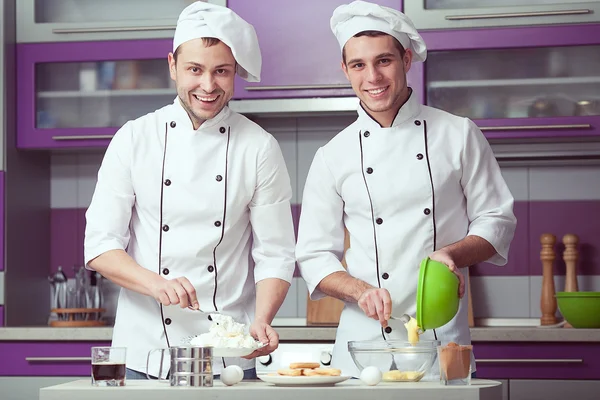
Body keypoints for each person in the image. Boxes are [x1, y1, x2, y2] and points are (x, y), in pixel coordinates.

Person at [295, 0, 517, 378]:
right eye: (359, 65)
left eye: (384, 61)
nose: (373, 77)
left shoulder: (458, 134)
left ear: (406, 59)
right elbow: (314, 255)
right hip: (362, 343)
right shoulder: (333, 155)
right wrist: (359, 290)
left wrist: (451, 253)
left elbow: (496, 220)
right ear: (345, 70)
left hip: (440, 333)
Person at [84, 2, 296, 380]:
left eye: (222, 72)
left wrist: (262, 319)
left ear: (235, 74)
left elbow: (276, 254)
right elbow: (100, 246)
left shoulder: (259, 147)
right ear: (172, 66)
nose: (208, 85)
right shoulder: (134, 138)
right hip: (145, 352)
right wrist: (158, 284)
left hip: (228, 354)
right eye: (195, 70)